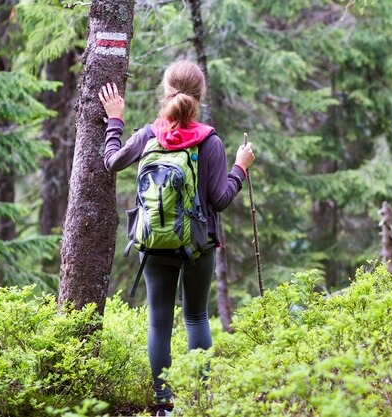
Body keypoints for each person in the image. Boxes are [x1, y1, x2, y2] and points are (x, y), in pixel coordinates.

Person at [99, 60, 255, 416]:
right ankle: (197, 404)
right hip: (198, 244)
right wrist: (239, 168)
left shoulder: (149, 134)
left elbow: (111, 162)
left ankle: (163, 406)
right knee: (197, 317)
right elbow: (220, 200)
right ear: (200, 96)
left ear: (165, 91)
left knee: (159, 321)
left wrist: (115, 120)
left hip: (152, 243)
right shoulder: (210, 141)